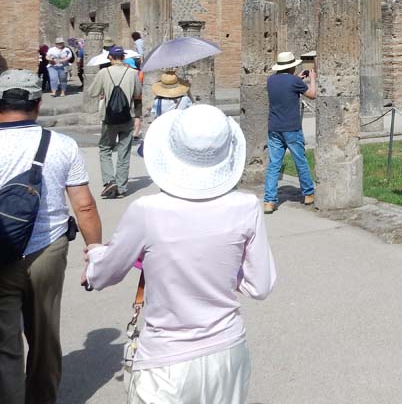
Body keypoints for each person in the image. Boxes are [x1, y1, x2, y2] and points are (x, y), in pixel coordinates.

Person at [83, 104, 276, 403]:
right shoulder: (246, 206)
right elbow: (260, 286)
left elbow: (104, 274)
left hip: (166, 362)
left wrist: (96, 254)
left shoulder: (147, 211)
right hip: (228, 352)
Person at [0, 69, 102, 404]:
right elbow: (84, 206)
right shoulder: (61, 145)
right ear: (38, 104)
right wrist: (95, 250)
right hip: (47, 249)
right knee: (44, 335)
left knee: (4, 343)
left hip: (1, 251)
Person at [263, 52, 316, 214]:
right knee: (300, 161)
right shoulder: (294, 81)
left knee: (274, 165)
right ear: (292, 67)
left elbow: (285, 87)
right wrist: (312, 79)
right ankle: (308, 193)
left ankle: (269, 201)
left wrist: (297, 79)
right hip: (291, 128)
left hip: (274, 128)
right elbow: (312, 95)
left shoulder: (271, 80)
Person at [88, 46, 143, 199]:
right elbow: (137, 94)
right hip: (127, 117)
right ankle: (121, 187)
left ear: (110, 58)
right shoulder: (132, 73)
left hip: (109, 117)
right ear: (123, 57)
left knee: (105, 148)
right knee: (124, 152)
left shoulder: (104, 72)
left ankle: (109, 180)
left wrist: (104, 90)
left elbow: (92, 92)